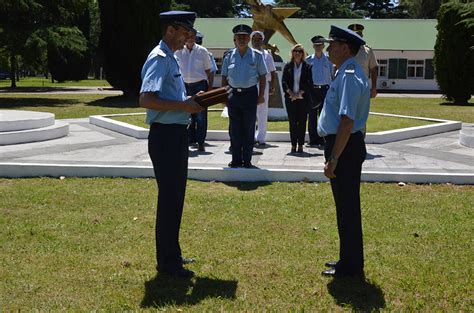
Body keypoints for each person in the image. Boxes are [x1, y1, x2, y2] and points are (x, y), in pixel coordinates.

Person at [139, 11, 204, 278]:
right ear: (170, 30)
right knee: (169, 199)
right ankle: (167, 263)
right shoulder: (160, 58)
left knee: (175, 199)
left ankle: (172, 255)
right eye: (185, 32)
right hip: (165, 137)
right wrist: (183, 105)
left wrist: (193, 100)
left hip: (175, 135)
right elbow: (146, 98)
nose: (188, 37)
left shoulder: (171, 58)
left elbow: (168, 96)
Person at [317, 25, 370, 278]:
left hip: (344, 147)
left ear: (345, 48)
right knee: (345, 207)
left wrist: (334, 158)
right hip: (343, 144)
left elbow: (347, 121)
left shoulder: (349, 74)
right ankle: (347, 259)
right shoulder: (345, 72)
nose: (328, 48)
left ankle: (351, 266)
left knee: (348, 208)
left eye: (332, 44)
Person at [221, 24, 268, 168]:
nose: (241, 39)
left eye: (244, 37)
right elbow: (224, 77)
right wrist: (224, 96)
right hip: (233, 95)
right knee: (234, 129)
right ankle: (236, 159)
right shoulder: (229, 56)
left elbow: (263, 77)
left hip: (250, 95)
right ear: (234, 39)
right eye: (238, 37)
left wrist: (260, 96)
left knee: (248, 128)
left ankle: (247, 160)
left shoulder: (257, 56)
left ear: (249, 39)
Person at [175, 29, 213, 152]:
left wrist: (210, 88)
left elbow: (209, 71)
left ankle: (201, 142)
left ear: (195, 37)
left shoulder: (202, 51)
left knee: (201, 116)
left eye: (193, 36)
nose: (190, 38)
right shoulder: (178, 51)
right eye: (188, 36)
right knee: (186, 114)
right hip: (184, 86)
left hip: (200, 86)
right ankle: (189, 140)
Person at [281, 44, 313, 153]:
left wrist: (299, 93)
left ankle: (300, 144)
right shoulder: (288, 66)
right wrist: (291, 93)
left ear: (303, 53)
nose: (297, 53)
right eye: (295, 51)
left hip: (303, 98)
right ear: (292, 53)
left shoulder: (307, 67)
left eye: (300, 51)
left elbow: (309, 82)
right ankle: (293, 144)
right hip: (290, 98)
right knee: (293, 122)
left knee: (302, 122)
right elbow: (284, 82)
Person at [306, 35, 334, 147]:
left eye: (320, 45)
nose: (318, 47)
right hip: (312, 90)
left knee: (324, 115)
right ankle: (313, 139)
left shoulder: (329, 60)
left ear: (323, 46)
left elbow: (333, 76)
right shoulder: (308, 60)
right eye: (316, 45)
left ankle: (323, 138)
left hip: (325, 90)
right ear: (313, 46)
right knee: (312, 116)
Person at [250, 30, 277, 146]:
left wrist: (272, 86)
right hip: (249, 85)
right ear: (251, 40)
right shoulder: (248, 53)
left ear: (262, 41)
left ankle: (261, 138)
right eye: (255, 39)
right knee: (250, 112)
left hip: (264, 85)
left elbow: (273, 71)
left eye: (259, 39)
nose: (257, 41)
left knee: (262, 112)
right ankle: (250, 136)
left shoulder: (267, 54)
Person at [348, 23, 378, 99]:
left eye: (358, 34)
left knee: (362, 110)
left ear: (361, 36)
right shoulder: (344, 49)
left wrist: (374, 88)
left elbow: (373, 69)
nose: (356, 37)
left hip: (363, 87)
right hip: (346, 86)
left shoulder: (368, 50)